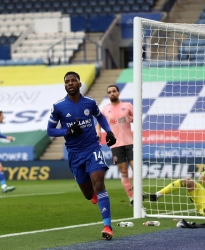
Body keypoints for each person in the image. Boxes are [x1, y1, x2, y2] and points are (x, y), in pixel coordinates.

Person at [47, 71, 116, 240]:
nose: (70, 83)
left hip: (92, 148)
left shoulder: (90, 102)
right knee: (88, 194)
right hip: (74, 153)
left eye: (73, 80)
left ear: (79, 84)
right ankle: (93, 194)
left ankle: (107, 225)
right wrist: (68, 131)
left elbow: (101, 118)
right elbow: (50, 130)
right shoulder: (58, 106)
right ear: (65, 85)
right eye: (67, 81)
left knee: (99, 183)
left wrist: (109, 131)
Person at [96, 85, 134, 206]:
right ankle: (132, 198)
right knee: (123, 171)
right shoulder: (104, 110)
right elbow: (99, 122)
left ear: (118, 93)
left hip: (130, 143)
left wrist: (132, 118)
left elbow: (136, 118)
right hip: (115, 145)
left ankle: (138, 194)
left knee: (136, 170)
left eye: (114, 91)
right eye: (109, 92)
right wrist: (98, 132)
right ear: (108, 95)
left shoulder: (127, 106)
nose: (112, 93)